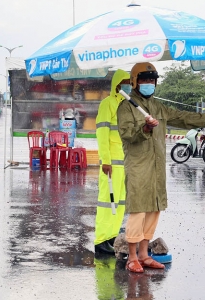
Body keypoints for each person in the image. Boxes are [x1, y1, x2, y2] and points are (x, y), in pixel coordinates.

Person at [117, 62, 205, 273]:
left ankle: (144, 255)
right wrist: (146, 127)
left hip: (158, 165)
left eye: (152, 80)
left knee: (154, 208)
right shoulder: (126, 106)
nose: (149, 84)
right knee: (138, 209)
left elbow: (180, 116)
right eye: (145, 80)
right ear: (134, 82)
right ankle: (132, 257)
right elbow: (127, 135)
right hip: (139, 165)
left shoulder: (158, 107)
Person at [94, 69, 131, 254]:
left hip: (126, 164)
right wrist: (105, 160)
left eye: (130, 82)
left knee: (120, 203)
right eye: (125, 82)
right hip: (112, 164)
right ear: (116, 84)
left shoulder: (129, 105)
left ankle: (112, 237)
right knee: (107, 202)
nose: (129, 86)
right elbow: (102, 134)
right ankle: (101, 240)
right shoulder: (107, 104)